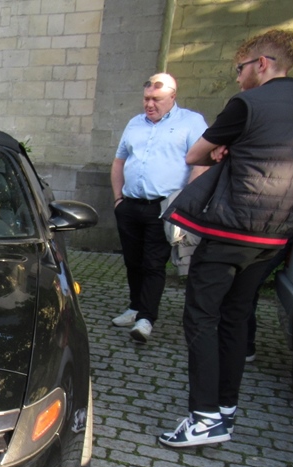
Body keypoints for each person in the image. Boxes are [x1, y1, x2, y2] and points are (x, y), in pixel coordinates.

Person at [159, 29, 293, 448]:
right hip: (277, 235)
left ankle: (203, 418)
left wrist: (223, 149)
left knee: (201, 316)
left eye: (240, 68)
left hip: (230, 230)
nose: (238, 78)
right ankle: (225, 410)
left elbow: (194, 154)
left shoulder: (247, 104)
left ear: (262, 64)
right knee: (237, 316)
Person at [110, 73, 208, 343]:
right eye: (146, 98)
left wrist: (183, 203)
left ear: (173, 96)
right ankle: (134, 307)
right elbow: (119, 161)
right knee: (132, 261)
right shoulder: (134, 123)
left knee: (153, 263)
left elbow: (201, 164)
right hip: (130, 205)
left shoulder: (190, 122)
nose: (149, 104)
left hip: (164, 207)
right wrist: (118, 199)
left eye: (156, 99)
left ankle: (146, 318)